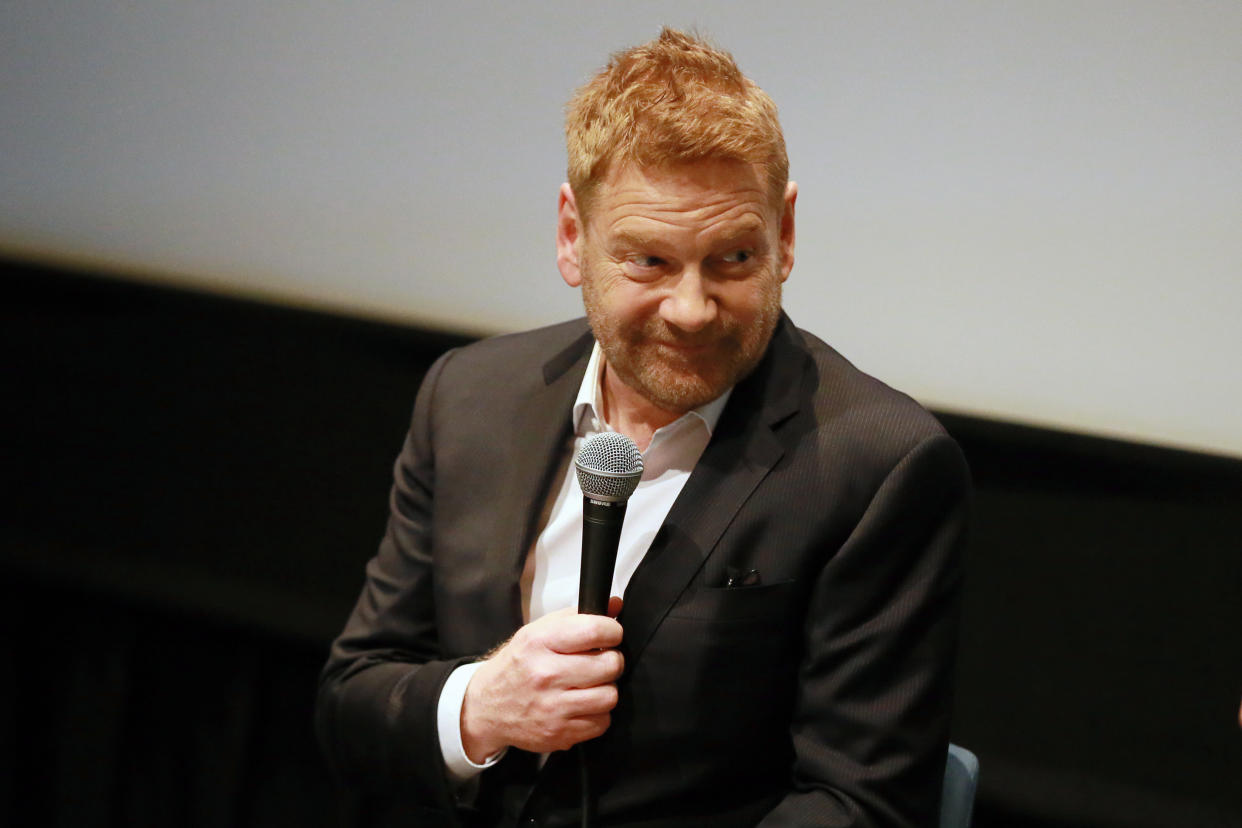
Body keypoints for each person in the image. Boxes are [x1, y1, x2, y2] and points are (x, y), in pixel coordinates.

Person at [316, 28, 970, 828]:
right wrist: (480, 706)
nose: (692, 311)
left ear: (786, 234)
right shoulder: (467, 397)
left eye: (733, 259)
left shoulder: (879, 464)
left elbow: (859, 805)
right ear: (571, 236)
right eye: (649, 263)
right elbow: (351, 703)